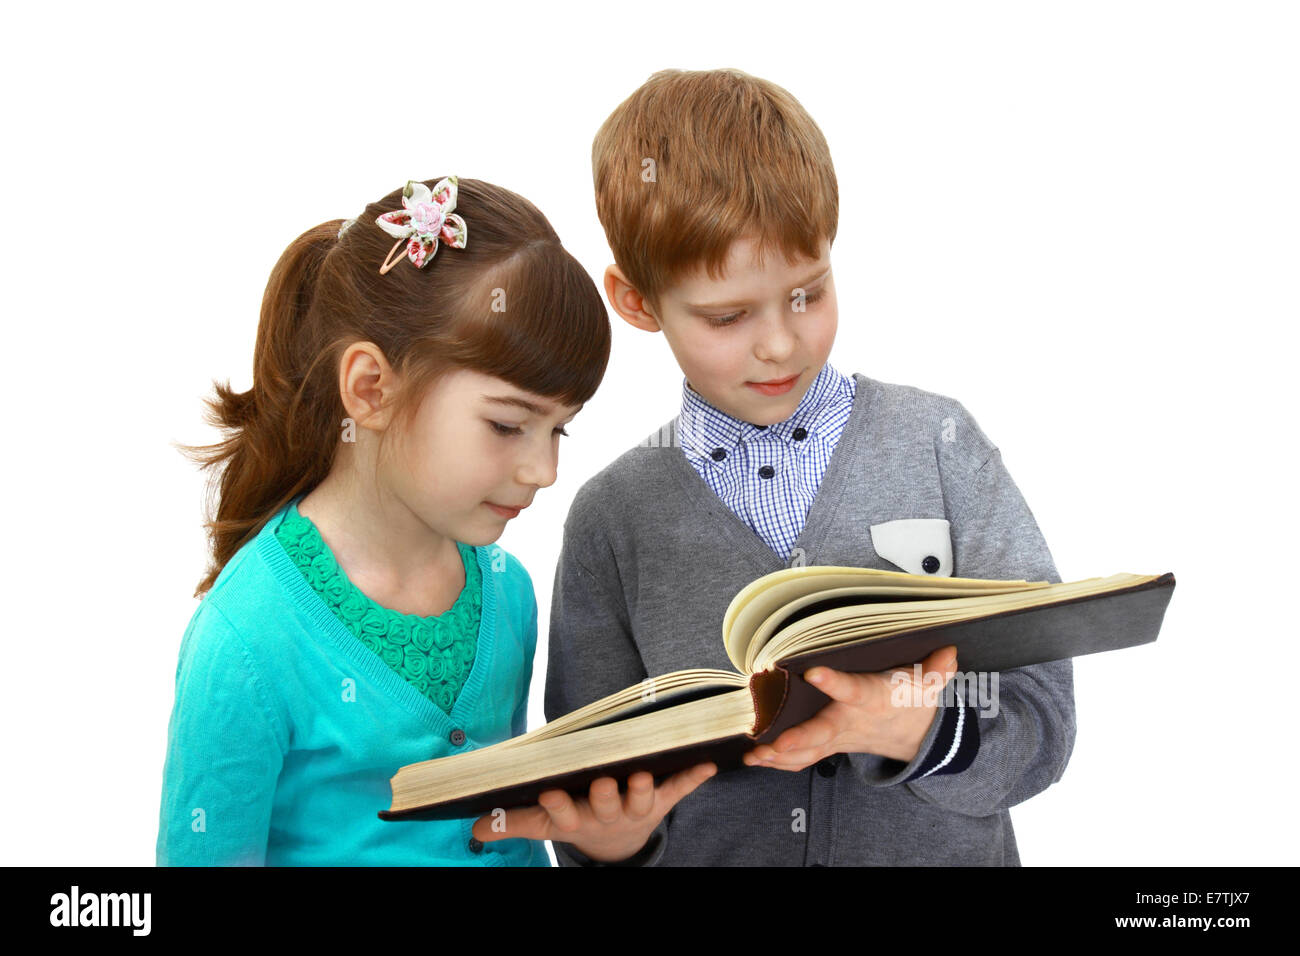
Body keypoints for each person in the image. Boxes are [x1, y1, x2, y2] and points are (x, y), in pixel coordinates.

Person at [474, 69, 1075, 866]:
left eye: (807, 293)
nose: (779, 344)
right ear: (637, 301)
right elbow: (593, 789)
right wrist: (612, 847)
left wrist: (921, 730)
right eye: (727, 316)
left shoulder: (939, 443)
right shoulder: (614, 518)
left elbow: (1044, 719)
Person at [156, 176, 612, 865]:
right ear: (370, 389)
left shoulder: (506, 591)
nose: (544, 471)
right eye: (508, 424)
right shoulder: (247, 636)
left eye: (560, 432)